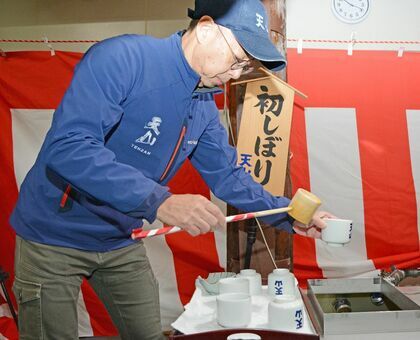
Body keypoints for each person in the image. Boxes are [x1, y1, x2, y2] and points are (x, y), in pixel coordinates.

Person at [10, 0, 333, 339]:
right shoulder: (123, 59)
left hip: (121, 237)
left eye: (245, 66)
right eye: (237, 59)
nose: (237, 73)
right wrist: (159, 201)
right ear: (206, 30)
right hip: (52, 237)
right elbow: (70, 147)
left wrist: (288, 215)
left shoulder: (202, 106)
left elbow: (228, 176)